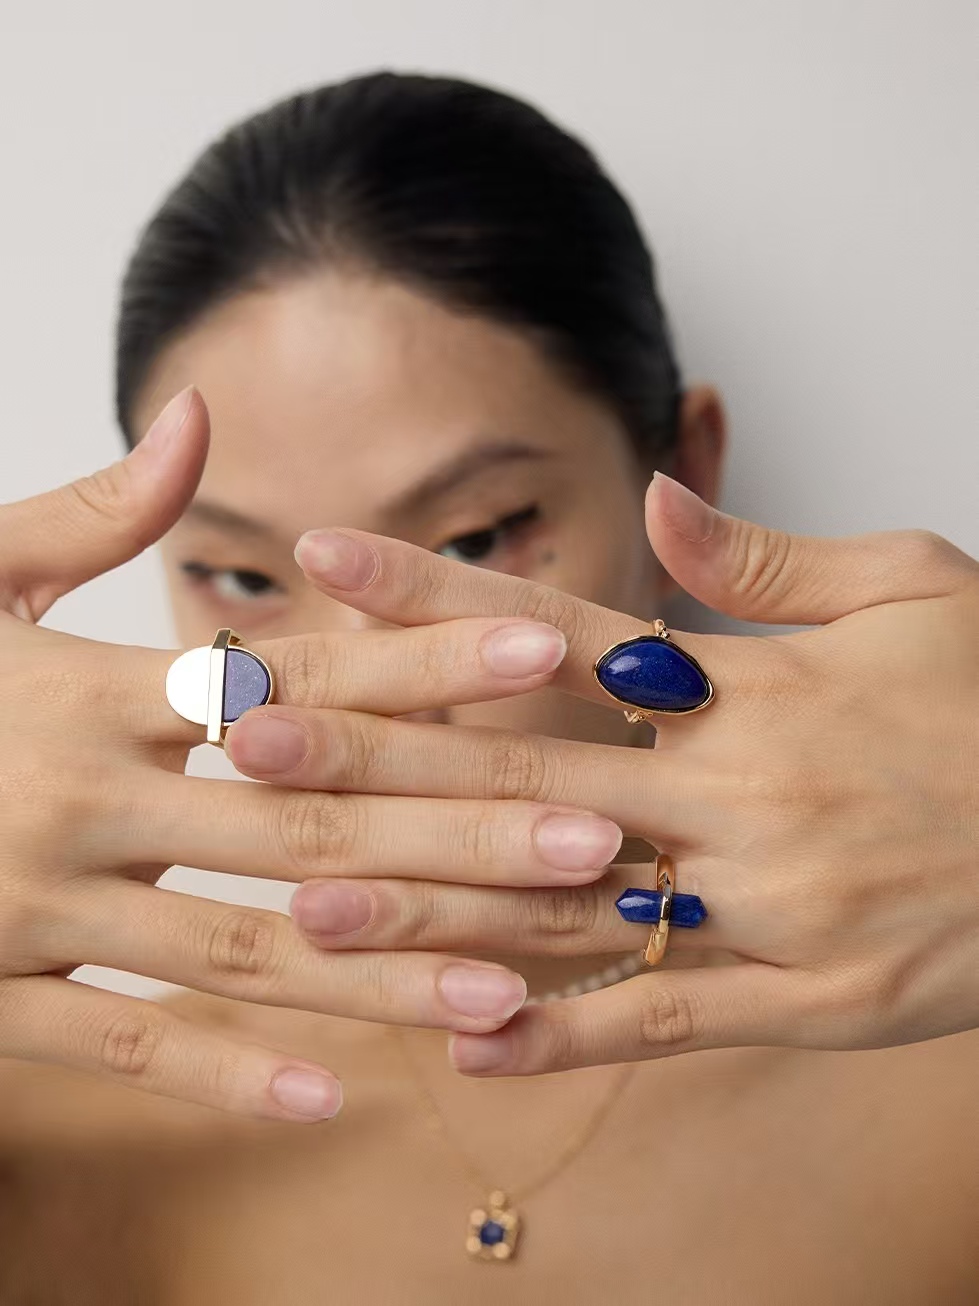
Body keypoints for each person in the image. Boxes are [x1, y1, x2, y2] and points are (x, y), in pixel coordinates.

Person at [0, 70, 975, 1303]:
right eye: (239, 577)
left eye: (471, 542)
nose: (360, 694)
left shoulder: (945, 1060)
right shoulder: (62, 1127)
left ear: (684, 475)